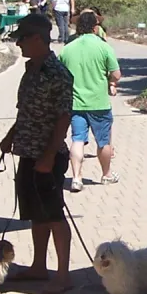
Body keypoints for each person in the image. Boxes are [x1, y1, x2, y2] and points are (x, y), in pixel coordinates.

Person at [0, 13, 74, 293]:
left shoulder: (57, 73)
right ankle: (39, 266)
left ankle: (64, 275)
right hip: (29, 152)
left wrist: (48, 156)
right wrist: (11, 136)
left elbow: (64, 117)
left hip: (48, 157)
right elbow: (26, 111)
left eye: (22, 38)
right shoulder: (31, 69)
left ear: (37, 39)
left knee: (54, 213)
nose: (18, 44)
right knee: (37, 213)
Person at [59, 11, 121, 191]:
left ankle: (76, 178)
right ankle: (106, 175)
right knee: (103, 142)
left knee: (77, 139)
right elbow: (116, 73)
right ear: (95, 27)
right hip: (99, 103)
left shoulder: (68, 48)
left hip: (76, 103)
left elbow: (60, 74)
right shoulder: (103, 47)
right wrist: (111, 82)